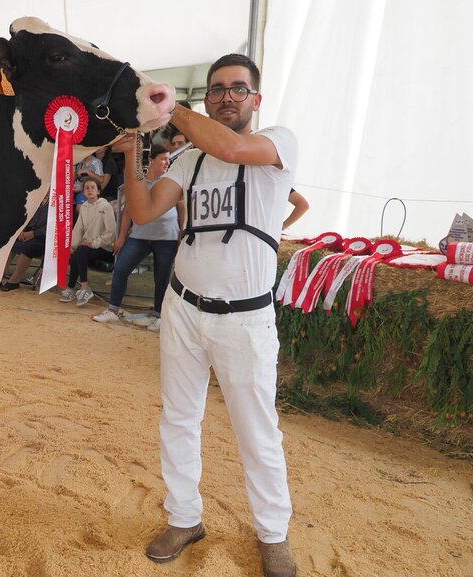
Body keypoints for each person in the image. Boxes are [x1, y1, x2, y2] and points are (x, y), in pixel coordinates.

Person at [113, 54, 298, 577]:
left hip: (245, 318)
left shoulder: (278, 142)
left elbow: (232, 148)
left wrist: (166, 106)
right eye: (217, 89)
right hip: (184, 308)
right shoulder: (189, 160)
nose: (226, 97)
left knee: (257, 430)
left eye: (238, 89)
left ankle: (273, 533)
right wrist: (134, 154)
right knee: (178, 417)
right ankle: (184, 517)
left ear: (256, 99)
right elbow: (145, 210)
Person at [93, 144, 183, 331]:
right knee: (121, 268)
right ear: (151, 160)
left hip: (167, 237)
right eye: (163, 159)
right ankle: (113, 309)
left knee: (162, 277)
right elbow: (128, 211)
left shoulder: (171, 181)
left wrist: (182, 233)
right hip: (140, 235)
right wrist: (121, 237)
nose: (167, 162)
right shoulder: (139, 182)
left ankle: (159, 315)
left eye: (168, 159)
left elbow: (182, 208)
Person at [59, 179, 114, 307]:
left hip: (105, 247)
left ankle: (85, 288)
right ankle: (71, 288)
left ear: (98, 191)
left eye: (93, 187)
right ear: (83, 192)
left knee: (82, 250)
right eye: (87, 188)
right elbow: (79, 228)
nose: (90, 190)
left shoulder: (105, 207)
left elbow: (111, 233)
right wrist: (72, 246)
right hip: (87, 247)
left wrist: (93, 244)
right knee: (76, 253)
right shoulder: (83, 207)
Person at [0, 195, 48, 291]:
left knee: (29, 247)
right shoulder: (37, 198)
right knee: (10, 244)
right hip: (27, 232)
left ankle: (15, 279)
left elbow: (54, 226)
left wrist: (34, 234)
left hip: (44, 237)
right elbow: (25, 217)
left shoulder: (58, 203)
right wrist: (21, 231)